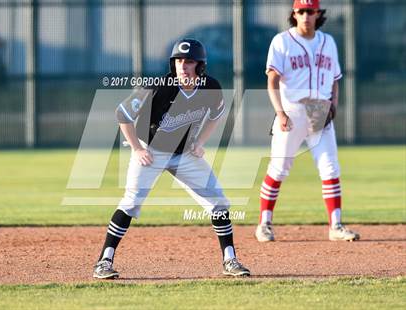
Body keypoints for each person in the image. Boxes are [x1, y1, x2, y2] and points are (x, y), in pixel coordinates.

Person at [93, 38, 250, 279]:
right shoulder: (158, 86)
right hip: (151, 151)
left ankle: (230, 260)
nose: (183, 66)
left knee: (219, 202)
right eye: (178, 61)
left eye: (189, 62)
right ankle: (104, 261)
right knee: (131, 202)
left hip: (184, 153)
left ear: (200, 65)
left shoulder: (211, 87)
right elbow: (122, 114)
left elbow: (216, 115)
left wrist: (200, 142)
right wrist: (137, 149)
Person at [255, 0, 360, 242]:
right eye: (301, 11)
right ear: (294, 14)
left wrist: (333, 104)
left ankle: (336, 225)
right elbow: (272, 81)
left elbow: (335, 79)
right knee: (279, 168)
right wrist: (280, 112)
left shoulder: (328, 42)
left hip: (320, 111)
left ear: (317, 14)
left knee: (330, 168)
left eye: (310, 11)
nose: (305, 16)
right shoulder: (282, 41)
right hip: (291, 110)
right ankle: (264, 224)